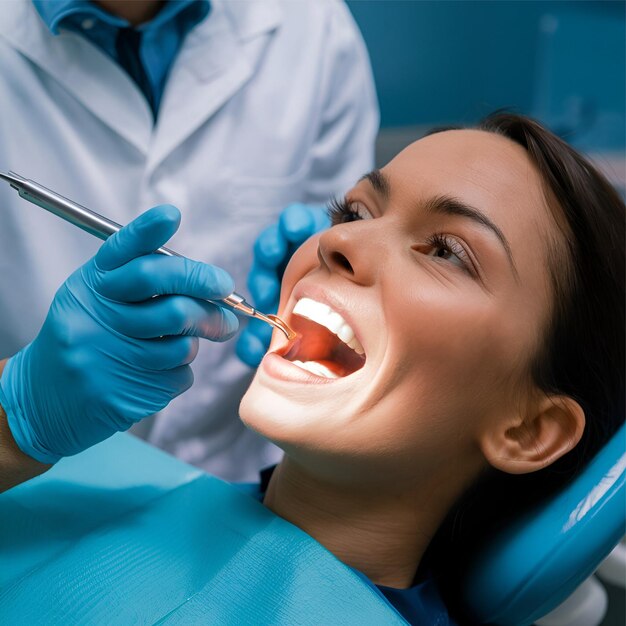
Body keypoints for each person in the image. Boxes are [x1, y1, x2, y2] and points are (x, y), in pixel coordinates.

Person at [1, 114, 623, 624]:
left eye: (447, 252)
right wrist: (16, 415)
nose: (336, 243)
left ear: (529, 431)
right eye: (354, 213)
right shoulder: (102, 480)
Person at [0, 0, 378, 481]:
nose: (347, 252)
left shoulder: (313, 25)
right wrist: (20, 410)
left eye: (447, 253)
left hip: (234, 470)